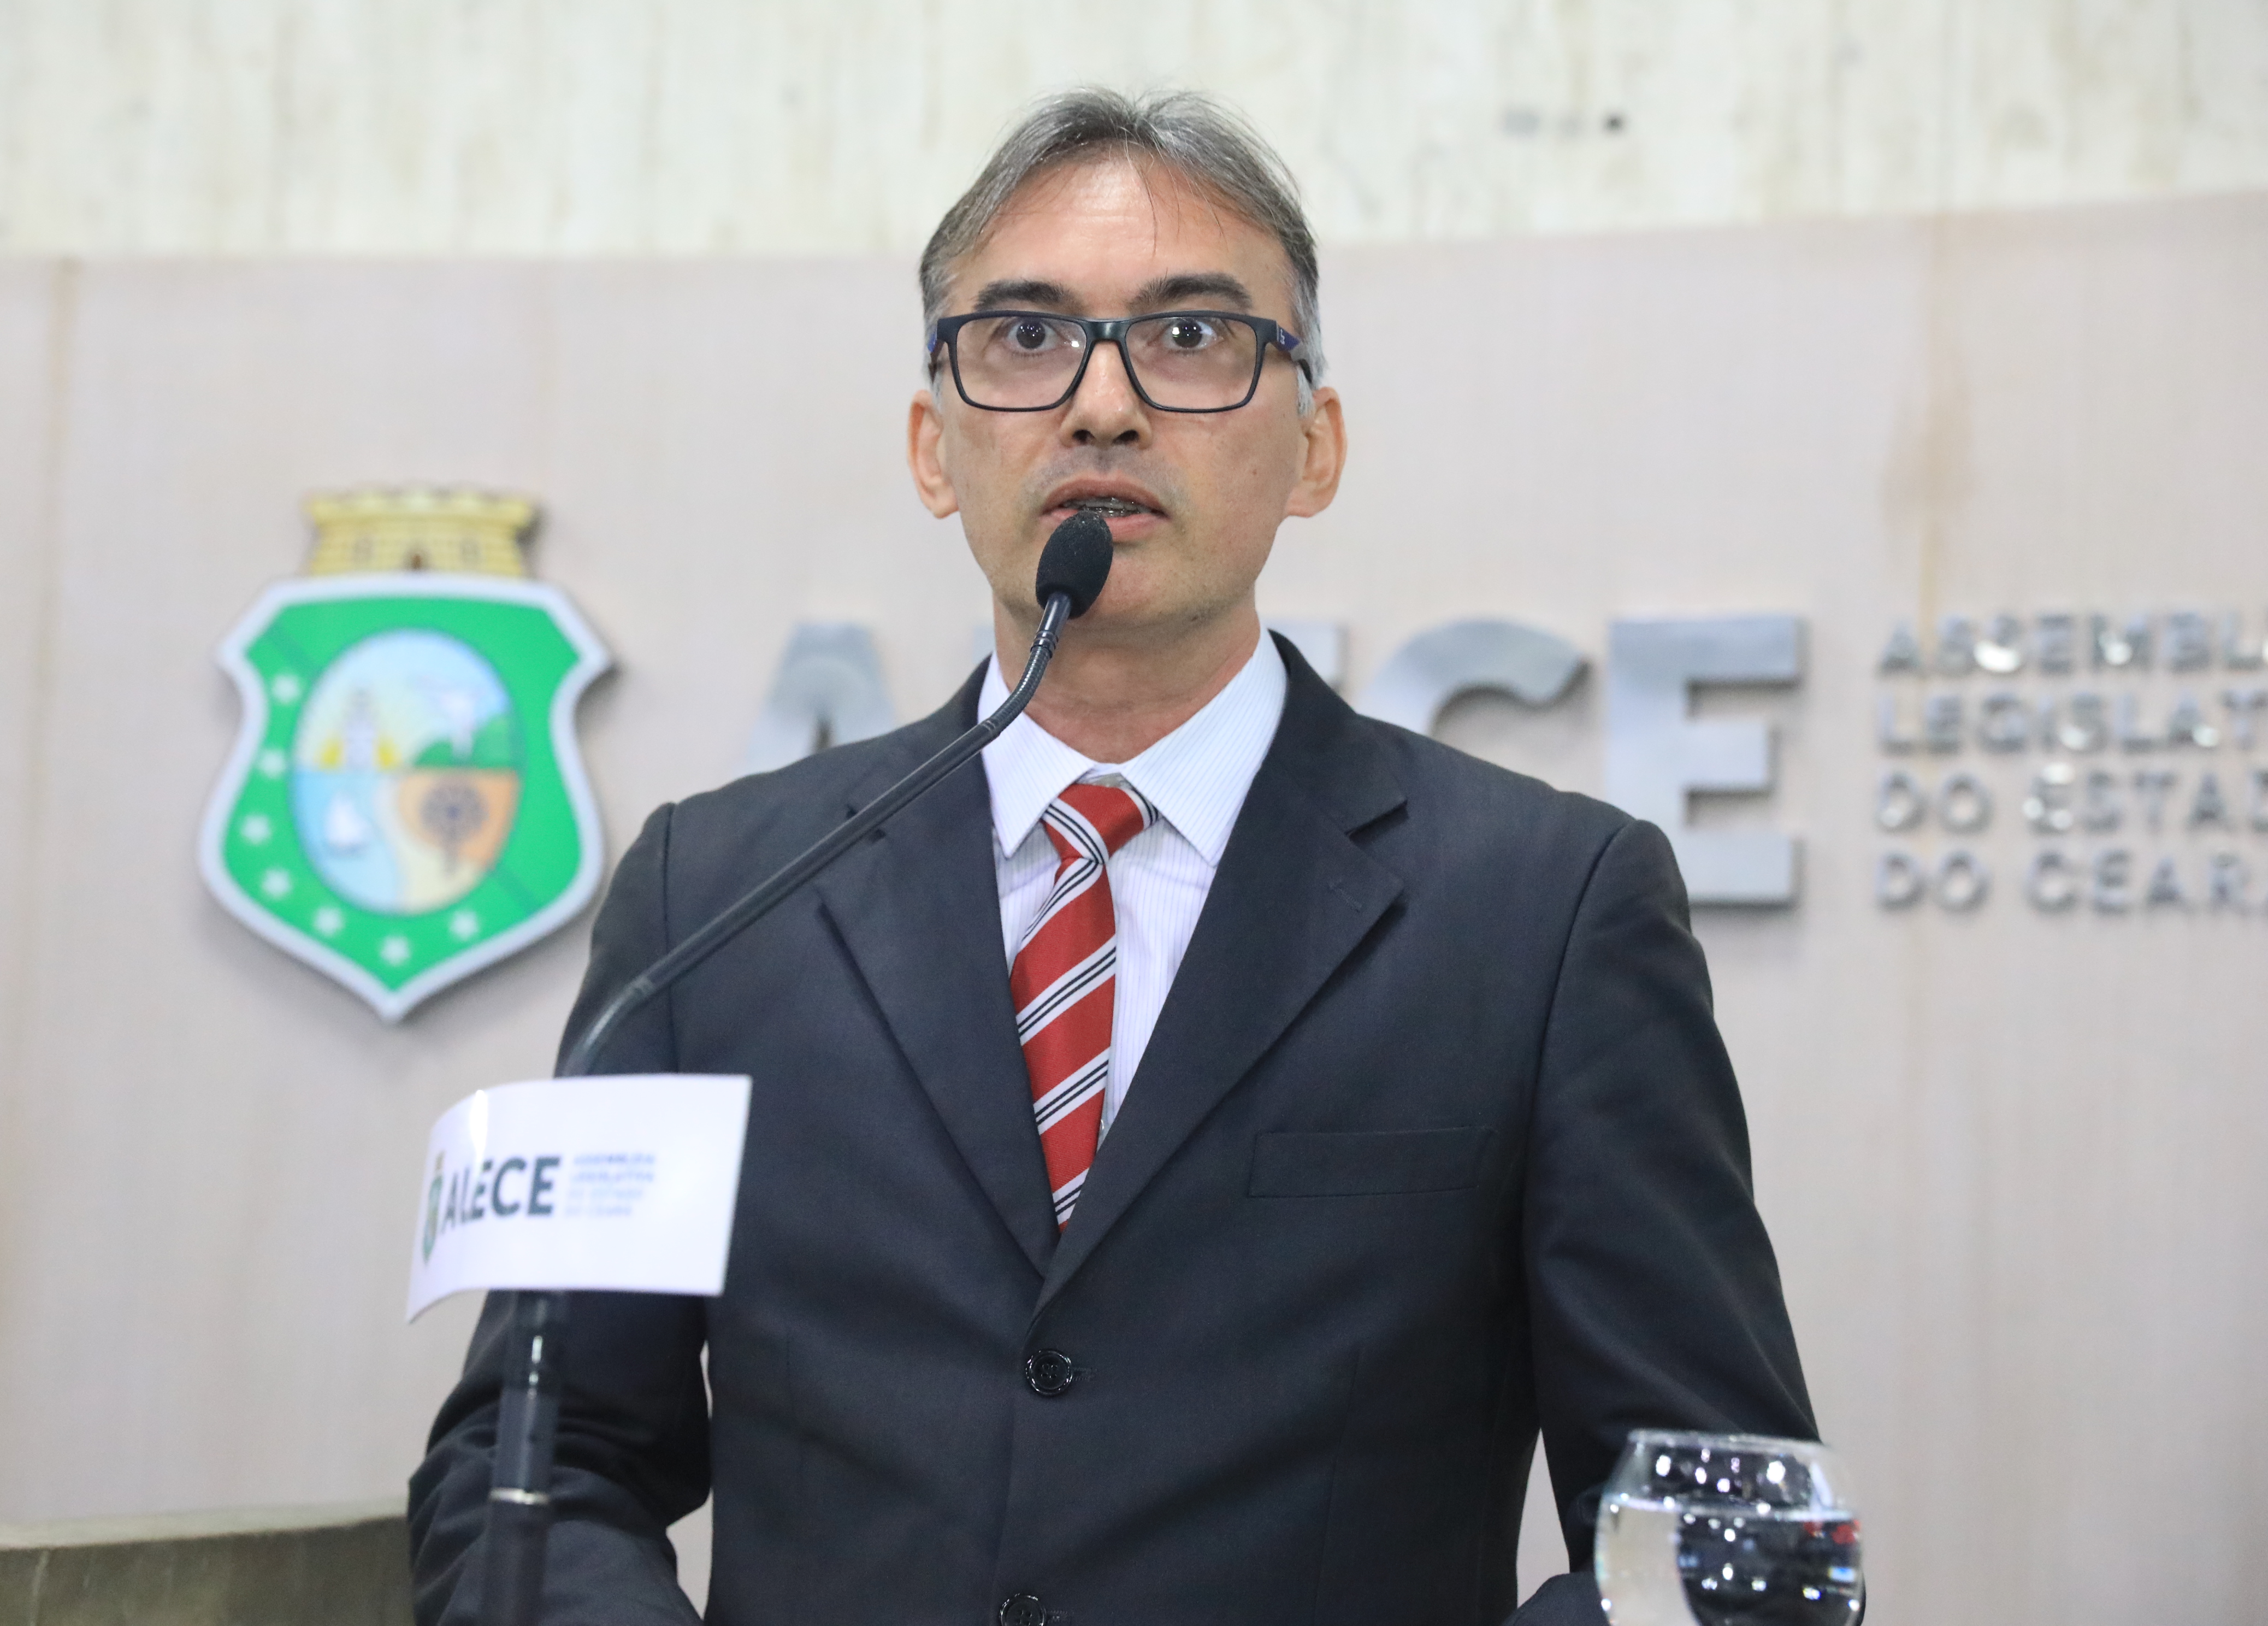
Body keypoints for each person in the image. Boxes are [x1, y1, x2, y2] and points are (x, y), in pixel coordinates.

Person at [410, 88, 1812, 1626]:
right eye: (1025, 337)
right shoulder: (719, 900)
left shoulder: (1542, 914)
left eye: (1191, 338)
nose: (1101, 406)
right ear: (933, 447)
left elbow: (1719, 1525)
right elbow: (539, 1469)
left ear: (1316, 447)